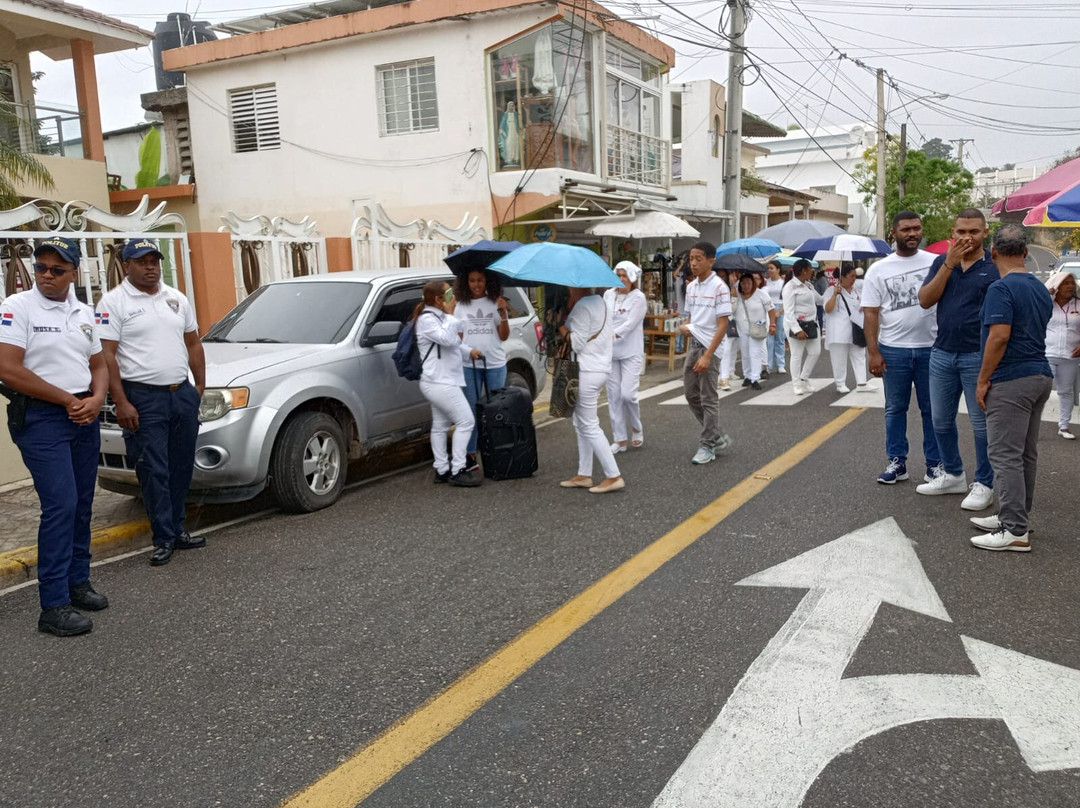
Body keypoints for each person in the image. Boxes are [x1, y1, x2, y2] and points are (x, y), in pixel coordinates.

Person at [0, 237, 108, 636]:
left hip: (83, 415)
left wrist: (97, 397)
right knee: (61, 505)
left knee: (81, 504)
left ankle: (77, 582)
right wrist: (67, 399)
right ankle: (53, 606)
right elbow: (8, 369)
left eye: (57, 269)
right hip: (43, 418)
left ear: (73, 273)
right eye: (41, 267)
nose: (47, 275)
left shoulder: (83, 311)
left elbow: (98, 363)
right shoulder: (17, 308)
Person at [96, 239, 207, 567]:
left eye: (154, 261)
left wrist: (198, 386)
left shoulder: (176, 298)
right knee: (153, 469)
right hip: (142, 398)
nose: (150, 267)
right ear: (126, 265)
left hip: (181, 394)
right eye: (141, 261)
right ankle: (163, 537)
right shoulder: (113, 303)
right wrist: (121, 401)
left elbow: (193, 343)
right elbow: (107, 355)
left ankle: (177, 529)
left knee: (181, 465)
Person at [970, 225, 1053, 552]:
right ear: (1025, 253)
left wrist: (982, 379)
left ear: (993, 254)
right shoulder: (1039, 288)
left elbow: (999, 336)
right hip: (1040, 375)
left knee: (1004, 455)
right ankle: (1014, 515)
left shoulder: (1000, 289)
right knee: (1024, 453)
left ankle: (1014, 529)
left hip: (1011, 379)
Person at [916, 208, 999, 511]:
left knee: (981, 426)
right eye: (961, 232)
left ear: (984, 233)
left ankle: (985, 482)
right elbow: (925, 299)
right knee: (940, 420)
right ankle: (953, 474)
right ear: (953, 232)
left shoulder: (995, 265)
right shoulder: (942, 262)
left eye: (974, 232)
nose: (967, 237)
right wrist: (948, 264)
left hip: (978, 354)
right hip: (942, 352)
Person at [862, 210, 941, 485]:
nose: (912, 234)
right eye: (906, 229)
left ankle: (935, 465)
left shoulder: (936, 263)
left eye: (917, 228)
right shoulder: (878, 269)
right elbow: (871, 313)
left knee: (933, 410)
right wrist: (873, 352)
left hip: (931, 348)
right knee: (895, 408)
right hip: (893, 349)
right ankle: (898, 462)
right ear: (893, 233)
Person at [414, 280, 483, 487]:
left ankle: (442, 469)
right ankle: (458, 469)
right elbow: (445, 337)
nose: (452, 295)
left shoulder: (440, 316)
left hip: (443, 380)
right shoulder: (427, 320)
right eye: (448, 293)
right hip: (439, 382)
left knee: (440, 426)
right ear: (438, 299)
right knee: (466, 422)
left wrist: (468, 350)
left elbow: (454, 341)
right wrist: (451, 313)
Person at [557, 286, 624, 493]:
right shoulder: (601, 302)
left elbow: (576, 343)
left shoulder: (582, 306)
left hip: (586, 370)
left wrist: (560, 327)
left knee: (589, 424)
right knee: (581, 423)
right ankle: (584, 474)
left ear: (574, 287)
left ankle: (613, 475)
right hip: (600, 367)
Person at [678, 241, 733, 464]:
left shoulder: (720, 287)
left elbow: (723, 325)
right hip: (694, 345)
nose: (694, 263)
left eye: (699, 258)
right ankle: (716, 435)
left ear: (711, 260)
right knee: (691, 395)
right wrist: (685, 327)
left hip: (711, 347)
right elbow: (691, 317)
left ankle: (708, 445)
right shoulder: (691, 287)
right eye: (691, 259)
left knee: (708, 398)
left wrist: (708, 355)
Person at [453, 268, 510, 470]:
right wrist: (469, 351)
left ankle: (499, 452)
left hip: (495, 364)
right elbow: (455, 340)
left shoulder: (496, 302)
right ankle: (470, 456)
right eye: (472, 280)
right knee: (470, 412)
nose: (476, 284)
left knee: (497, 411)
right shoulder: (460, 306)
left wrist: (503, 313)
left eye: (480, 280)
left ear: (487, 282)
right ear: (465, 282)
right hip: (470, 366)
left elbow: (503, 336)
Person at [604, 260, 646, 453]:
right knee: (613, 396)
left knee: (627, 395)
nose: (621, 279)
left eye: (624, 275)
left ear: (632, 278)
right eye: (618, 275)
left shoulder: (638, 298)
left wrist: (610, 335)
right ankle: (619, 438)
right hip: (610, 353)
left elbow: (630, 324)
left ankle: (636, 427)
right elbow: (603, 318)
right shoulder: (608, 295)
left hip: (631, 352)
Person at [1043, 270, 1080, 439]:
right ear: (1057, 285)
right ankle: (1031, 424)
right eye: (1065, 282)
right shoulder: (1046, 303)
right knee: (1040, 389)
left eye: (1072, 283)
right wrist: (1046, 296)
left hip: (1070, 355)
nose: (1070, 286)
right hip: (1047, 353)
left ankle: (1064, 426)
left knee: (1066, 391)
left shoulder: (1078, 305)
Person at [823, 265, 869, 393]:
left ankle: (862, 382)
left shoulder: (856, 291)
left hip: (856, 329)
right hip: (838, 331)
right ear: (842, 277)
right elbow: (828, 308)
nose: (854, 279)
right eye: (851, 276)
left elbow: (861, 307)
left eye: (855, 276)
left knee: (859, 355)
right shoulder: (831, 290)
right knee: (839, 358)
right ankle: (840, 383)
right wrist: (835, 295)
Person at [782, 259, 823, 395]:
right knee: (796, 355)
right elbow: (788, 311)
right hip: (797, 325)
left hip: (812, 324)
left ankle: (804, 378)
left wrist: (834, 292)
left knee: (815, 352)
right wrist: (797, 330)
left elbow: (819, 300)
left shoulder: (808, 285)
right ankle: (796, 384)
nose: (812, 271)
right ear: (804, 270)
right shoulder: (790, 287)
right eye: (810, 269)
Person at [732, 272, 775, 391]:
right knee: (745, 353)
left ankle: (755, 378)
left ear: (753, 283)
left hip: (757, 327)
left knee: (755, 353)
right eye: (743, 283)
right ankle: (747, 375)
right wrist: (733, 297)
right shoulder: (737, 295)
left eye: (749, 283)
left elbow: (771, 309)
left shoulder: (761, 294)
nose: (746, 286)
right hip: (742, 328)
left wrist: (772, 324)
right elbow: (732, 310)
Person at [716, 269, 740, 391]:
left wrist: (732, 289)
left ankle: (724, 377)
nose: (721, 278)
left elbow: (733, 308)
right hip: (712, 324)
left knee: (726, 350)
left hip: (726, 322)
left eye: (723, 276)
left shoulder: (730, 290)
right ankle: (717, 377)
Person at [764, 261, 787, 374]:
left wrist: (779, 312)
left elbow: (787, 300)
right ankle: (768, 365)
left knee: (780, 337)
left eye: (772, 268)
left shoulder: (783, 283)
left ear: (778, 269)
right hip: (768, 309)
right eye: (768, 268)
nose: (769, 270)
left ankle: (780, 364)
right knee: (769, 339)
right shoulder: (765, 282)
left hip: (781, 309)